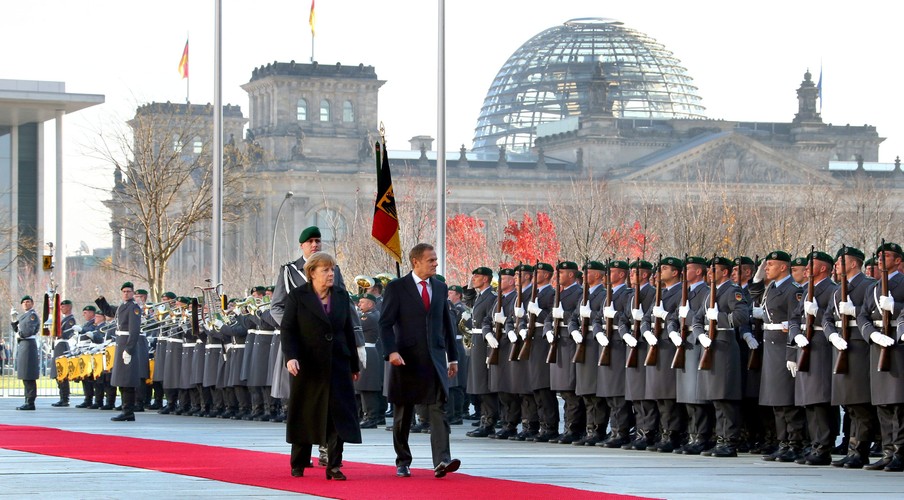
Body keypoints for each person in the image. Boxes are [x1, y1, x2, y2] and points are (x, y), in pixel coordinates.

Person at [379, 243, 461, 478]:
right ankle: (403, 461)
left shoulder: (440, 287)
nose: (436, 263)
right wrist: (391, 352)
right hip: (405, 360)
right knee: (403, 414)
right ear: (416, 262)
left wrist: (453, 357)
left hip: (434, 359)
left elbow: (447, 323)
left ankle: (442, 460)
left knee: (438, 409)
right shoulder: (397, 287)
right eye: (431, 260)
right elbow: (385, 324)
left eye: (435, 259)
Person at [280, 252, 361, 480]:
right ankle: (299, 462)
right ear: (312, 273)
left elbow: (348, 330)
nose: (330, 274)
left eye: (332, 269)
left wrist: (354, 364)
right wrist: (291, 357)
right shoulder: (298, 296)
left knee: (338, 414)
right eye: (325, 270)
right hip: (308, 365)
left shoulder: (342, 296)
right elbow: (288, 329)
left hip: (338, 363)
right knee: (306, 412)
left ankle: (333, 465)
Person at [110, 282, 142, 422]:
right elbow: (109, 311)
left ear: (133, 293)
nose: (126, 293)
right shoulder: (122, 306)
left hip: (127, 345)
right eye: (124, 291)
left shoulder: (133, 307)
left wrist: (129, 349)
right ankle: (125, 409)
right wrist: (100, 300)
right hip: (121, 343)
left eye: (128, 291)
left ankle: (128, 411)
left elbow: (134, 331)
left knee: (127, 381)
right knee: (121, 380)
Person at [13, 296, 41, 410]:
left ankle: (30, 402)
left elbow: (28, 331)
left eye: (28, 302)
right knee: (25, 375)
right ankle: (27, 400)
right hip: (24, 344)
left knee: (29, 374)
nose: (25, 303)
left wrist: (20, 335)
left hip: (28, 345)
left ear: (32, 303)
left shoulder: (32, 315)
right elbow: (17, 330)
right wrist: (14, 320)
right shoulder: (24, 316)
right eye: (23, 302)